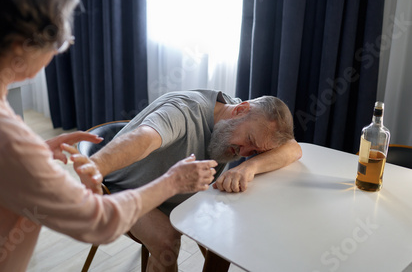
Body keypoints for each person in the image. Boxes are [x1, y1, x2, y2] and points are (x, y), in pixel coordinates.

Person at [0, 0, 217, 271]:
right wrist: (171, 181)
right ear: (20, 46)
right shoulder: (5, 141)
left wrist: (32, 157)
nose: (56, 55)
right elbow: (99, 223)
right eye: (58, 43)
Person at [78, 89, 303, 271]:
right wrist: (95, 167)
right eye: (249, 140)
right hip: (125, 189)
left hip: (177, 195)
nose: (243, 152)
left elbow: (293, 149)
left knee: (232, 229)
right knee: (167, 242)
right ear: (240, 110)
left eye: (254, 150)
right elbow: (144, 138)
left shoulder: (243, 118)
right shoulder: (183, 110)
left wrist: (250, 166)